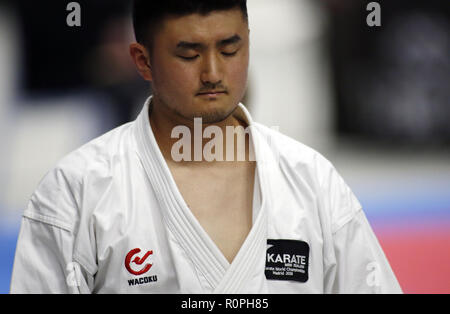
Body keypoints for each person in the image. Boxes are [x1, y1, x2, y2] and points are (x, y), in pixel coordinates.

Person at [10, 0, 402, 294]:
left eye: (230, 50)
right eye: (189, 54)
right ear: (142, 61)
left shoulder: (313, 182)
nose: (213, 73)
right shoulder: (75, 192)